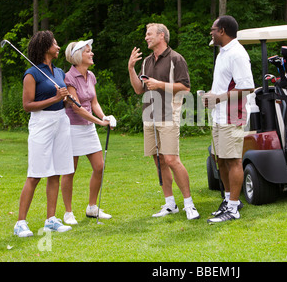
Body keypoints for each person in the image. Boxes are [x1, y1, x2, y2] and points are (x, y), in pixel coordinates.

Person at [128, 23, 199, 220]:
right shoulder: (147, 61)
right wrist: (131, 68)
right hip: (149, 115)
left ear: (161, 36)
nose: (146, 37)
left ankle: (189, 204)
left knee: (171, 160)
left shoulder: (176, 58)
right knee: (159, 160)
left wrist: (159, 84)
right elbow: (138, 89)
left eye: (149, 34)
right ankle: (170, 204)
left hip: (169, 114)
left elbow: (185, 87)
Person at [13, 30, 74, 237]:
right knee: (35, 174)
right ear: (45, 47)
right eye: (55, 44)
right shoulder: (32, 74)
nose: (58, 47)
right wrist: (56, 98)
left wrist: (65, 99)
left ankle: (51, 219)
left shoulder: (58, 73)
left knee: (55, 171)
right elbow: (27, 105)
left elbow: (62, 99)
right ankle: (20, 223)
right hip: (42, 124)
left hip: (61, 121)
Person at [203, 15, 254, 223]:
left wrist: (218, 98)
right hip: (219, 115)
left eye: (213, 29)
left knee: (233, 160)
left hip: (233, 115)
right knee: (220, 159)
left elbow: (247, 87)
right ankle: (228, 200)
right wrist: (211, 95)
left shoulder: (237, 54)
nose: (211, 33)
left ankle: (233, 209)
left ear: (222, 31)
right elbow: (224, 86)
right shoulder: (222, 53)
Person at [61, 39, 117, 225]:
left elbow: (93, 103)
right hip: (73, 128)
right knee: (70, 171)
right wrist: (100, 122)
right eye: (88, 51)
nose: (92, 54)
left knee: (99, 167)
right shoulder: (69, 78)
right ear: (78, 56)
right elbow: (77, 108)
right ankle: (68, 213)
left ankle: (92, 208)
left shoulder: (91, 76)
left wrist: (105, 117)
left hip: (89, 127)